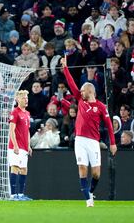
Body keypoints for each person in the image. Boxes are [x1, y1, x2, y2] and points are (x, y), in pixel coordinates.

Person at [61, 56, 117, 207]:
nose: (80, 91)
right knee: (82, 168)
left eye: (82, 89)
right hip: (80, 140)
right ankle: (88, 199)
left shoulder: (100, 106)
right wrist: (65, 68)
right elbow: (72, 85)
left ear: (89, 91)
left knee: (96, 173)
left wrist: (113, 143)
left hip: (93, 141)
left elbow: (109, 125)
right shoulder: (80, 100)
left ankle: (91, 191)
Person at [8, 90, 32, 201]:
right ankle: (13, 195)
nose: (26, 100)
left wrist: (29, 145)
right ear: (18, 99)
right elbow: (11, 130)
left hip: (24, 146)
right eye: (23, 98)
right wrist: (15, 145)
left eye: (26, 98)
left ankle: (21, 195)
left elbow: (27, 131)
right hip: (15, 146)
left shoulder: (27, 113)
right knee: (15, 167)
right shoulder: (15, 112)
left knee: (24, 169)